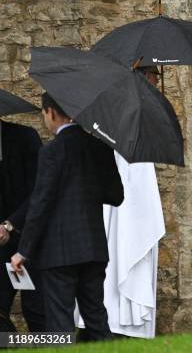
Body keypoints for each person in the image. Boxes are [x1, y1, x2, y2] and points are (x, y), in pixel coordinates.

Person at [11, 92, 124, 339]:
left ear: (51, 112)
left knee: (59, 322)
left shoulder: (51, 151)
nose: (45, 121)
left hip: (59, 252)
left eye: (43, 115)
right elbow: (116, 195)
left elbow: (40, 205)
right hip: (93, 248)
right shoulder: (101, 147)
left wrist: (24, 251)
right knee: (95, 317)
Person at [75, 65, 165, 338]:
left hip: (132, 197)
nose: (156, 84)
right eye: (153, 78)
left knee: (126, 245)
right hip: (115, 201)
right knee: (115, 253)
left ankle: (118, 319)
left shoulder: (137, 119)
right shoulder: (124, 118)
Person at [0, 118, 45, 331]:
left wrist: (10, 225)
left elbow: (40, 191)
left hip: (31, 240)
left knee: (35, 310)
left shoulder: (25, 137)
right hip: (0, 245)